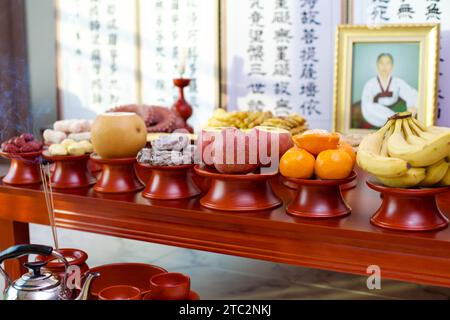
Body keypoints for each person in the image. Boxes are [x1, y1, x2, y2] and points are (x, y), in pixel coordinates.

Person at [360, 53, 418, 128]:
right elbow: (367, 105)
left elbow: (411, 93)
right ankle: (394, 119)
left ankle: (395, 119)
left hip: (394, 108)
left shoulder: (397, 82)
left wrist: (412, 106)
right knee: (369, 107)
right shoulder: (370, 84)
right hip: (377, 113)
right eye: (381, 63)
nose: (384, 66)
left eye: (388, 63)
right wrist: (391, 115)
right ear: (377, 65)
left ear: (392, 66)